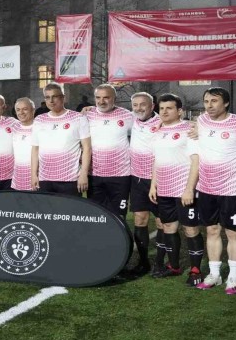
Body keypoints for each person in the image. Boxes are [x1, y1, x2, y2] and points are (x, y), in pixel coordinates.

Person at [194, 87, 236, 294]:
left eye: (214, 101)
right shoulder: (201, 121)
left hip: (232, 189)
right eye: (206, 101)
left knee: (232, 233)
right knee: (211, 230)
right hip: (206, 187)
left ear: (226, 103)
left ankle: (233, 277)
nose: (209, 105)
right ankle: (214, 275)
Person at [148, 94, 201, 281]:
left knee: (190, 229)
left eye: (169, 108)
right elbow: (157, 160)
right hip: (164, 189)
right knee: (169, 227)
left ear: (180, 111)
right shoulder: (157, 131)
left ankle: (196, 270)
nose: (164, 112)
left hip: (184, 189)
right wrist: (153, 185)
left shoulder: (190, 129)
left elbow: (196, 161)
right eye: (161, 108)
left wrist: (189, 189)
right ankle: (174, 266)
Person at [31, 82, 91, 196]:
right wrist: (33, 174)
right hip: (45, 179)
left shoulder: (78, 118)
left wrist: (84, 174)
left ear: (63, 98)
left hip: (70, 179)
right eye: (47, 97)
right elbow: (35, 149)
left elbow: (87, 148)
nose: (51, 101)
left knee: (70, 208)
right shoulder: (39, 120)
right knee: (46, 208)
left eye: (55, 96)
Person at [85, 84, 133, 217]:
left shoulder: (128, 116)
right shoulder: (86, 116)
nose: (101, 101)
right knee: (95, 215)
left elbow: (147, 124)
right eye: (98, 97)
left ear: (114, 99)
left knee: (119, 216)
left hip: (121, 175)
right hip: (94, 175)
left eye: (106, 97)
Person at [129, 92, 163, 276]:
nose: (138, 108)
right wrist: (87, 109)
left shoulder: (161, 122)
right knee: (140, 219)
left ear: (152, 106)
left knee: (161, 222)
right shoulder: (132, 119)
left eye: (143, 104)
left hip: (158, 179)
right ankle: (143, 262)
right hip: (137, 179)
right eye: (135, 105)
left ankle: (160, 262)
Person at [11, 98, 35, 191]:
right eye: (18, 110)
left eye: (25, 109)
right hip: (18, 179)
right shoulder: (14, 127)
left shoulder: (40, 127)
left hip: (36, 178)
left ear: (33, 110)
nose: (21, 112)